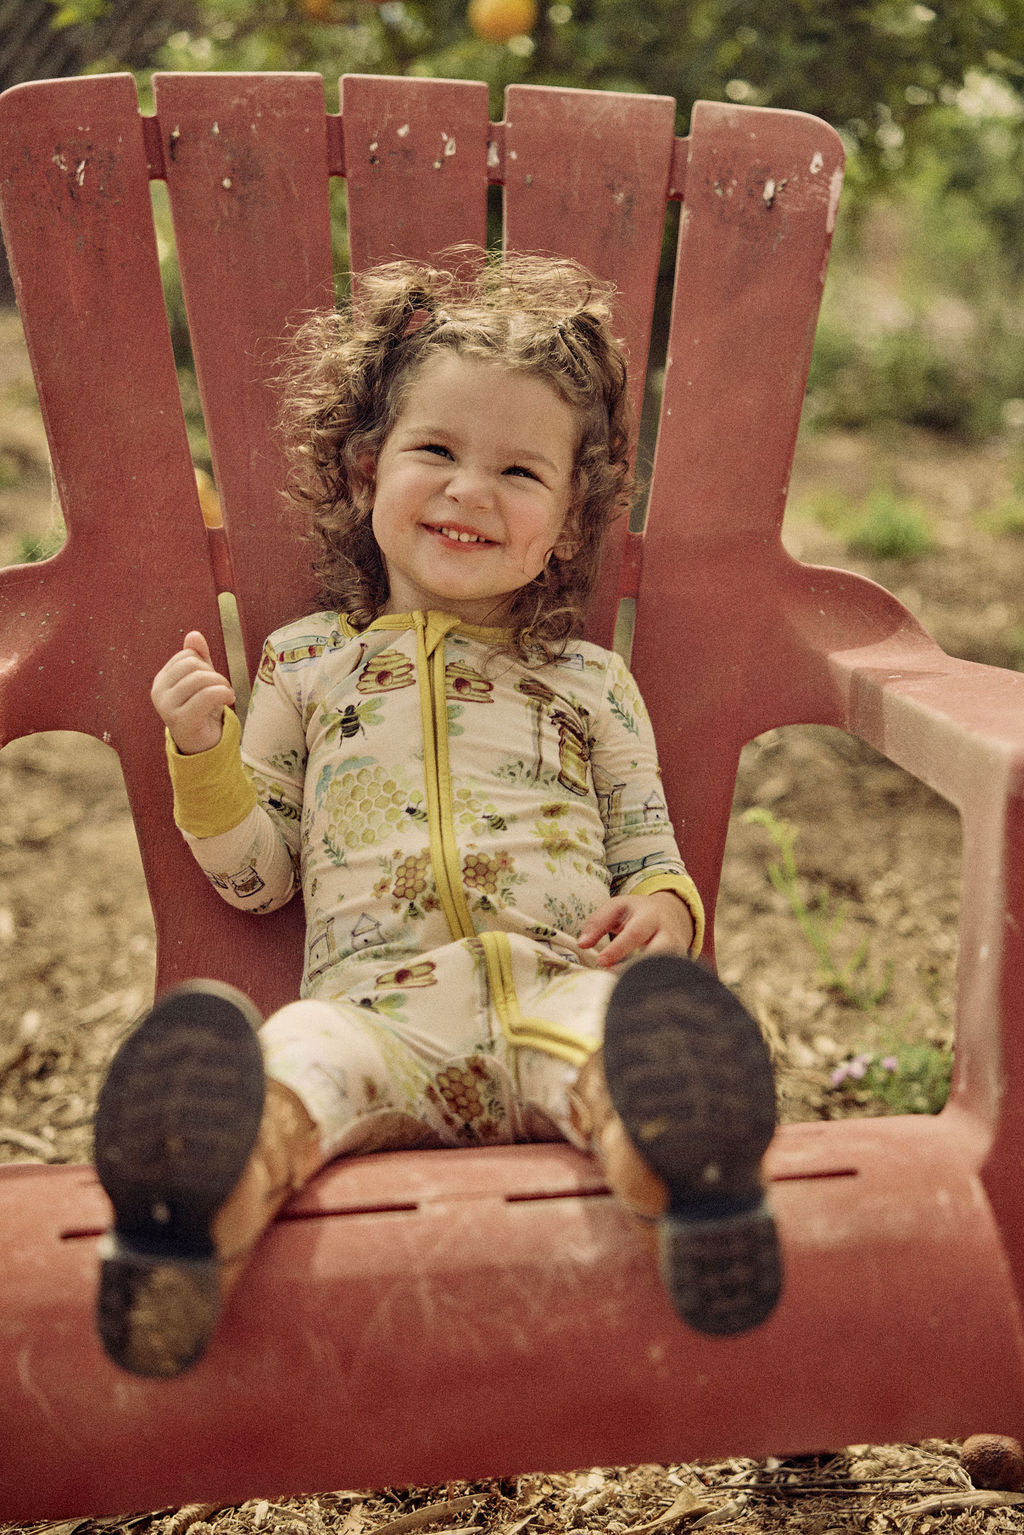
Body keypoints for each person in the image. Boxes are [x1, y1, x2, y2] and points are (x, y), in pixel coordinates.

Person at [93, 253, 781, 1379]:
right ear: (365, 475)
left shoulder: (589, 680)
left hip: (558, 991)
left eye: (518, 470)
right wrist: (202, 747)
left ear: (565, 526)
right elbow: (255, 873)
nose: (469, 490)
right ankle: (181, 1240)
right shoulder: (309, 664)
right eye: (436, 451)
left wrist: (666, 906)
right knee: (284, 1072)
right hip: (376, 1019)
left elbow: (651, 850)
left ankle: (695, 1194)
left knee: (635, 1059)